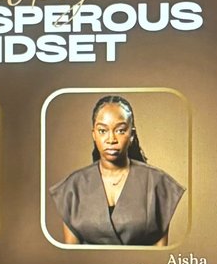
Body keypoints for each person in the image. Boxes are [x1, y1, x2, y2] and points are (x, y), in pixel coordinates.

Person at [50, 95, 185, 247]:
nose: (111, 139)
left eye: (120, 130)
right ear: (94, 134)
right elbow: (71, 256)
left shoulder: (158, 183)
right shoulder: (72, 187)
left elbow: (159, 254)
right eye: (102, 130)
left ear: (131, 135)